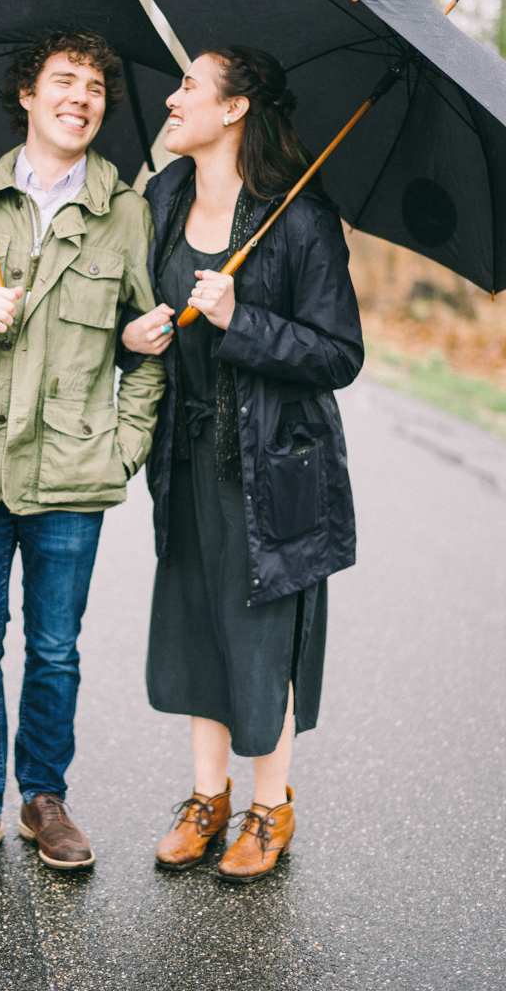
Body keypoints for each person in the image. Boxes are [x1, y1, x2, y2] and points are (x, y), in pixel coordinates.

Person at [0, 27, 166, 883]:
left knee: (54, 651)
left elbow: (149, 344)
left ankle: (43, 797)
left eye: (94, 85)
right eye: (64, 80)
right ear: (27, 94)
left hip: (71, 474)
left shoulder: (127, 214)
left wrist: (122, 446)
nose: (80, 97)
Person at [120, 45, 363, 883]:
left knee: (262, 634)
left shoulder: (299, 217)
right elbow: (136, 307)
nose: (172, 95)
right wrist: (135, 335)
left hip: (274, 465)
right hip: (183, 452)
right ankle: (206, 798)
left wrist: (242, 322)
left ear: (235, 109)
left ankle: (270, 807)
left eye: (191, 83)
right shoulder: (161, 196)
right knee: (196, 626)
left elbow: (340, 354)